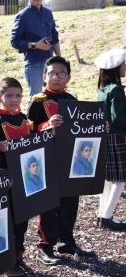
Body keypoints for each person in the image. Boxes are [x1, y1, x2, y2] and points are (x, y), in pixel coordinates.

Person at [28, 56, 95, 265]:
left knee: (70, 202)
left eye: (61, 73)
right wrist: (48, 125)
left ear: (68, 77)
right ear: (44, 76)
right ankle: (45, 246)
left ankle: (66, 241)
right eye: (52, 73)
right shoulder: (37, 102)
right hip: (47, 159)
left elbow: (82, 130)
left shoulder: (72, 100)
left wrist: (99, 129)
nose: (56, 77)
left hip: (70, 160)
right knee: (47, 203)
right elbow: (29, 131)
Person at [0, 77, 34, 277]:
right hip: (8, 180)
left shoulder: (25, 119)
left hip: (25, 178)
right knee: (9, 221)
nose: (14, 99)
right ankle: (7, 262)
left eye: (18, 95)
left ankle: (19, 256)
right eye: (9, 95)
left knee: (23, 220)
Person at [95, 48, 126, 231]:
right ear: (116, 67)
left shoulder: (103, 89)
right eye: (123, 64)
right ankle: (107, 217)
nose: (125, 67)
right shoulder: (116, 90)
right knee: (120, 180)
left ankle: (102, 214)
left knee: (108, 179)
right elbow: (118, 118)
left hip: (106, 137)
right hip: (118, 137)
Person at [10, 0, 60, 97]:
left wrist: (59, 60)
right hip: (34, 65)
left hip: (49, 65)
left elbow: (54, 37)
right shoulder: (23, 16)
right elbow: (14, 41)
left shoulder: (48, 13)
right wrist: (35, 45)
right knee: (36, 99)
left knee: (50, 98)